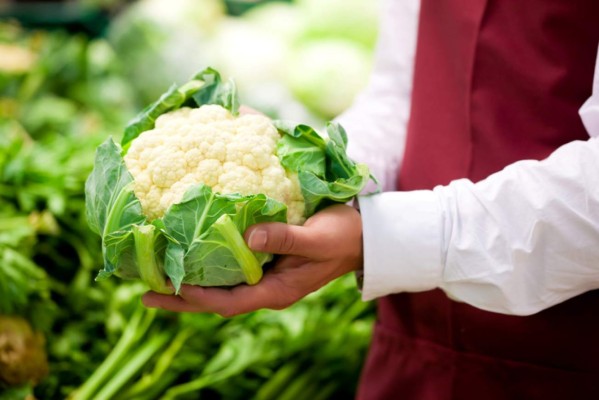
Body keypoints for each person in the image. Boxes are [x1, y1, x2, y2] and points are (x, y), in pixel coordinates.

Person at [143, 0, 599, 398]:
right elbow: (400, 91)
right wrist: (316, 172)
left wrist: (377, 238)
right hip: (414, 341)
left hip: (570, 353)